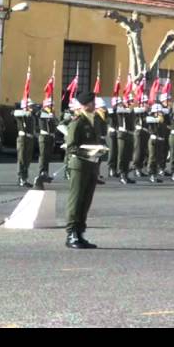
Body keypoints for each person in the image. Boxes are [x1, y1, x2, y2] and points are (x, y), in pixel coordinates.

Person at [64, 91, 103, 249]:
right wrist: (89, 152)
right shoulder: (77, 122)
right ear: (84, 105)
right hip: (79, 165)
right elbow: (71, 147)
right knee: (76, 200)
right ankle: (71, 233)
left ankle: (80, 232)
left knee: (86, 201)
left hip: (92, 165)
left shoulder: (95, 120)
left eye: (93, 102)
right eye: (91, 103)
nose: (94, 105)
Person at [14, 98, 35, 188]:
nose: (32, 108)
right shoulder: (21, 115)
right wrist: (24, 112)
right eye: (30, 106)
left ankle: (25, 178)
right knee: (21, 159)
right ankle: (20, 178)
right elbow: (14, 113)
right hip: (22, 138)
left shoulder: (31, 116)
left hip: (30, 138)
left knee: (27, 159)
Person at [37, 97, 57, 185]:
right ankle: (41, 173)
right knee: (43, 156)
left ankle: (46, 173)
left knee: (47, 156)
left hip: (50, 137)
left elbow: (56, 122)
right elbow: (38, 114)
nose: (53, 107)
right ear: (46, 106)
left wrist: (52, 116)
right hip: (44, 137)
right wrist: (48, 115)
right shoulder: (42, 113)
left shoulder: (52, 114)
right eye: (51, 105)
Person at [116, 96, 136, 184]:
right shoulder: (121, 110)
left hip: (130, 135)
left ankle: (126, 174)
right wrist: (126, 107)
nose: (131, 103)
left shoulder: (131, 111)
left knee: (128, 156)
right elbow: (118, 110)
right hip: (122, 135)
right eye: (129, 101)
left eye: (132, 101)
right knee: (122, 155)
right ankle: (121, 174)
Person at [146, 103, 165, 184]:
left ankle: (155, 174)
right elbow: (149, 120)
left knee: (158, 158)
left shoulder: (162, 119)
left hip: (160, 140)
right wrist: (157, 118)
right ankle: (151, 174)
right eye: (159, 111)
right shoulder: (150, 118)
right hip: (153, 140)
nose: (160, 113)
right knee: (152, 157)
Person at [132, 94, 149, 178]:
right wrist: (141, 108)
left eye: (147, 102)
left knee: (143, 152)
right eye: (145, 102)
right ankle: (136, 168)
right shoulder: (137, 112)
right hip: (139, 133)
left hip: (145, 133)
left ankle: (140, 168)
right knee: (138, 151)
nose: (147, 104)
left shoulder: (146, 113)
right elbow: (135, 112)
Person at [106, 96, 119, 178]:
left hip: (117, 133)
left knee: (116, 152)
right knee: (112, 151)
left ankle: (114, 169)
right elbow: (108, 121)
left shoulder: (119, 112)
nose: (118, 105)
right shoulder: (110, 112)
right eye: (117, 104)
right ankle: (111, 169)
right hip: (111, 133)